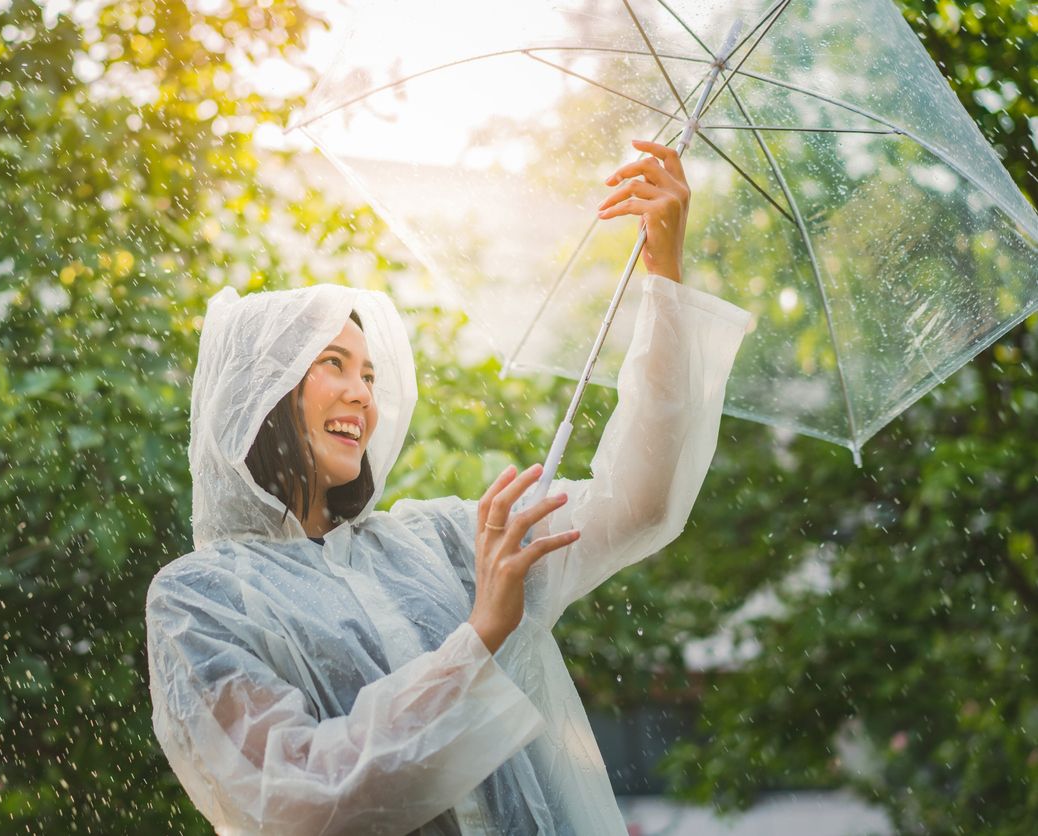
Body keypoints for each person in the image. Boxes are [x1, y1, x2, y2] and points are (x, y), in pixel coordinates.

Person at [145, 140, 752, 834]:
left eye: (370, 376)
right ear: (259, 394)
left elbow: (637, 502)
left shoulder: (446, 542)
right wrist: (482, 634)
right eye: (333, 364)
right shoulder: (201, 600)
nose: (360, 394)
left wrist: (663, 278)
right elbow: (300, 798)